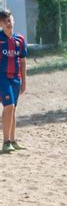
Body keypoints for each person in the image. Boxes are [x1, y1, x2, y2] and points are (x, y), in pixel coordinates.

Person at [0, 9, 27, 152]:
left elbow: (23, 62)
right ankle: (5, 142)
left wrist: (24, 82)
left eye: (10, 20)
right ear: (1, 24)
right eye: (5, 22)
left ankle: (13, 140)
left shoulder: (20, 40)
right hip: (2, 77)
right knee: (9, 106)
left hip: (16, 78)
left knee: (13, 109)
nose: (9, 23)